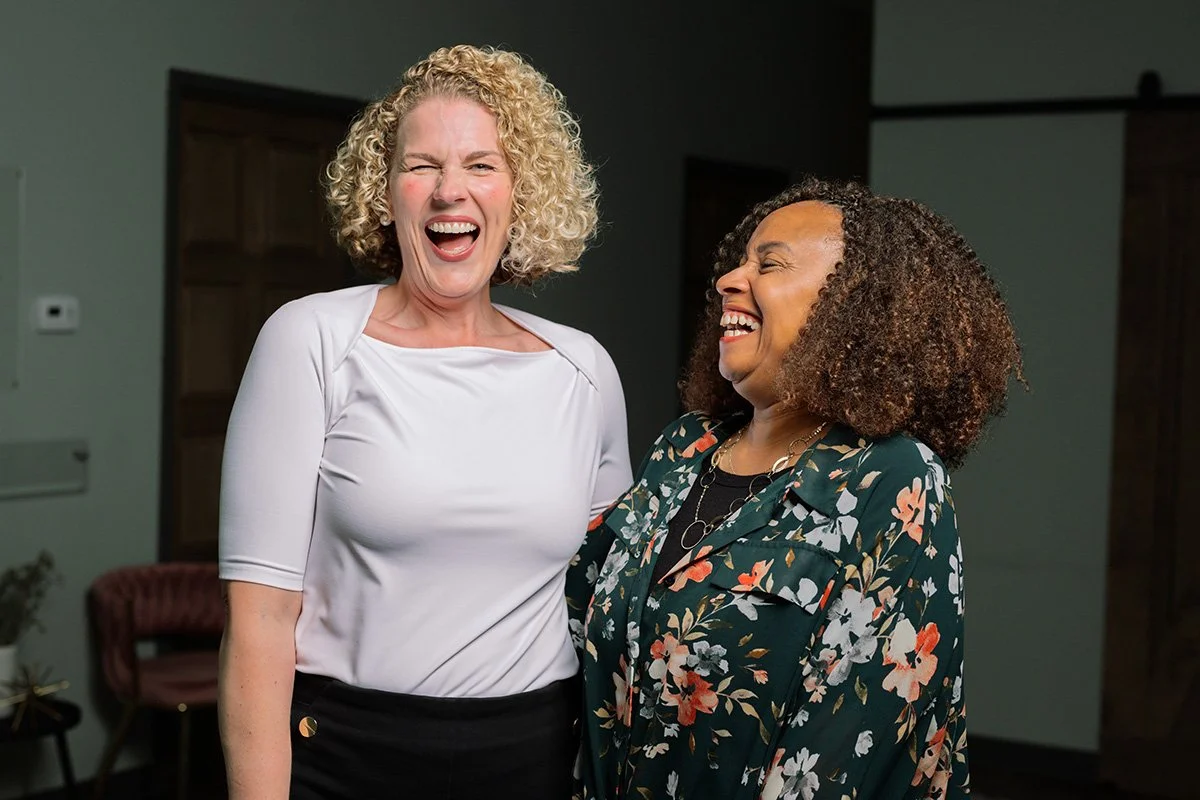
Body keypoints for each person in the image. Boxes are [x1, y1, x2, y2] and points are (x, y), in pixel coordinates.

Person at [217, 44, 631, 800]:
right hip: (347, 758)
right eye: (421, 166)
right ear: (386, 193)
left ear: (522, 192)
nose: (450, 193)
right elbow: (260, 625)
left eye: (481, 165)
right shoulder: (309, 340)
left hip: (533, 759)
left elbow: (610, 606)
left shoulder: (584, 372)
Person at [568, 177, 1023, 799]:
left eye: (769, 263)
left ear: (855, 306)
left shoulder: (891, 480)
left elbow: (845, 750)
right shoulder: (683, 449)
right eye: (738, 260)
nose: (730, 278)